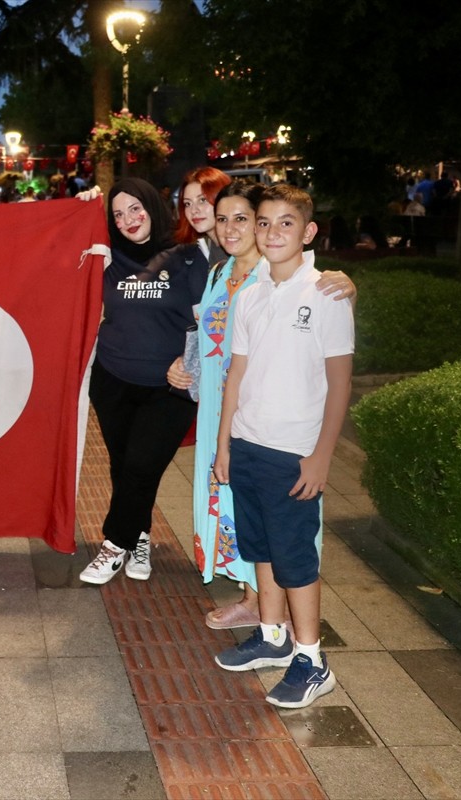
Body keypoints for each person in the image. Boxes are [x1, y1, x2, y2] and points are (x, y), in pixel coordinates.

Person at [168, 182, 355, 630]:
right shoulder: (223, 272)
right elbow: (214, 338)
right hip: (225, 412)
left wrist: (349, 286)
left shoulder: (274, 276)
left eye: (242, 218)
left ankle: (285, 623)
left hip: (276, 423)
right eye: (223, 218)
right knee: (240, 512)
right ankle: (256, 603)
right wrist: (185, 362)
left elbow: (326, 324)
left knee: (281, 525)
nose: (230, 228)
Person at [212, 183, 354, 709]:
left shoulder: (327, 293)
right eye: (265, 222)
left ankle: (312, 659)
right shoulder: (250, 294)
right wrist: (225, 444)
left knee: (295, 556)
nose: (273, 232)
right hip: (248, 443)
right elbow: (236, 374)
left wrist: (321, 456)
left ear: (308, 232)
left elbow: (340, 382)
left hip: (293, 451)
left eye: (286, 223)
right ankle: (272, 637)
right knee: (260, 548)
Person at [78, 178, 206, 585]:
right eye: (117, 214)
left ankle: (114, 544)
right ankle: (139, 536)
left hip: (170, 387)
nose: (128, 219)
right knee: (125, 467)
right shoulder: (107, 255)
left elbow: (210, 322)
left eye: (135, 208)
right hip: (113, 379)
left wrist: (189, 361)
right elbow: (60, 252)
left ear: (152, 205)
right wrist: (83, 207)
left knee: (140, 464)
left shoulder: (188, 255)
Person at [174, 166, 232, 267]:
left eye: (202, 200)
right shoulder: (201, 249)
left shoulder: (241, 249)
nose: (193, 210)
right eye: (187, 203)